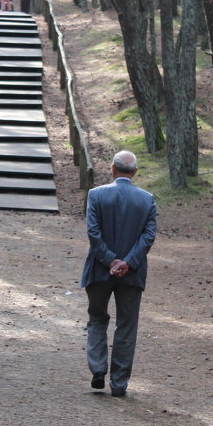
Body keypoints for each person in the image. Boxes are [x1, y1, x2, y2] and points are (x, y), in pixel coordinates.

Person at [80, 150, 156, 398]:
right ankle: (119, 383)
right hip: (132, 275)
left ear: (112, 169)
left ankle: (98, 369)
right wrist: (127, 263)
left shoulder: (96, 195)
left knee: (97, 318)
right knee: (126, 325)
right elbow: (148, 236)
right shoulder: (147, 200)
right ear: (134, 172)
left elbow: (93, 233)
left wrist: (110, 260)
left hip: (99, 270)